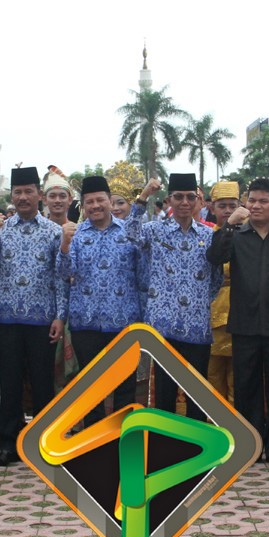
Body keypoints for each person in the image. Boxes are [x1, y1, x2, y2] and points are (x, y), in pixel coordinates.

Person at [209, 177, 269, 467]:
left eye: (264, 201)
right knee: (246, 388)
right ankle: (251, 446)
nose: (257, 206)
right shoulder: (236, 235)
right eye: (252, 200)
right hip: (245, 323)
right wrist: (229, 225)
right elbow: (215, 256)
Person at [0, 167, 64, 466]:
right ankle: (9, 445)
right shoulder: (0, 229)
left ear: (39, 195)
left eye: (29, 191)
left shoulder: (53, 231)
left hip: (42, 320)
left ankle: (44, 446)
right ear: (12, 196)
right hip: (7, 320)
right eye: (18, 192)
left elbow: (61, 277)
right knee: (10, 384)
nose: (23, 197)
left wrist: (60, 316)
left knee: (43, 385)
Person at [127, 174, 221, 422]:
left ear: (198, 201)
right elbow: (130, 233)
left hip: (197, 325)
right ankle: (165, 441)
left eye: (190, 197)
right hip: (164, 325)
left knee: (197, 393)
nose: (185, 202)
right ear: (169, 200)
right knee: (165, 392)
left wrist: (200, 300)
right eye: (178, 197)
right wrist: (143, 196)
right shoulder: (155, 230)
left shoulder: (209, 235)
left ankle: (197, 441)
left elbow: (216, 277)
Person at [59, 175, 146, 425]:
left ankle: (123, 436)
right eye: (89, 202)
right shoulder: (75, 234)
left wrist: (145, 316)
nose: (95, 205)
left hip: (124, 321)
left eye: (100, 200)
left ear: (110, 201)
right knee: (91, 387)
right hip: (86, 322)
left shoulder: (129, 232)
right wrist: (64, 245)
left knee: (125, 386)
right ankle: (94, 439)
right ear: (83, 206)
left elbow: (143, 275)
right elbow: (65, 273)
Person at [205, 180, 240, 400]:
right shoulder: (206, 236)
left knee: (238, 377)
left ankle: (235, 418)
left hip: (240, 314)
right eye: (222, 206)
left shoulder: (248, 236)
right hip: (212, 314)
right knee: (212, 375)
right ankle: (212, 418)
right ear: (212, 208)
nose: (227, 210)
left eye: (232, 206)